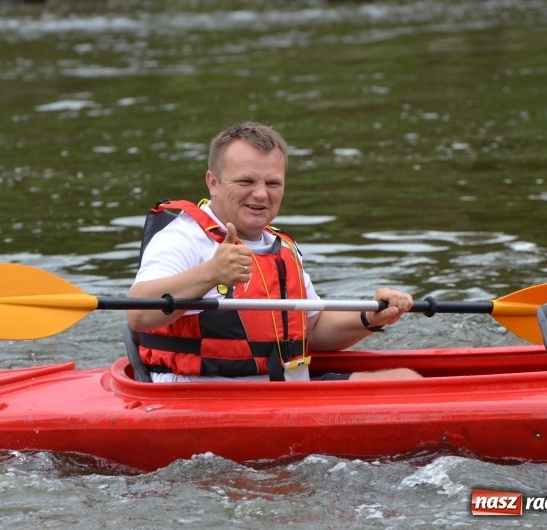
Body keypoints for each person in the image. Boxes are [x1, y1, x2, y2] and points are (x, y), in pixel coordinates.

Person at [127, 121, 420, 382]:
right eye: (246, 181)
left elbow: (312, 328)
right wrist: (210, 274)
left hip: (280, 390)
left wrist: (370, 315)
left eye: (272, 183)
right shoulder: (182, 237)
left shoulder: (283, 246)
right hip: (203, 398)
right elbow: (138, 314)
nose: (260, 194)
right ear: (213, 183)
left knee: (408, 380)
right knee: (408, 388)